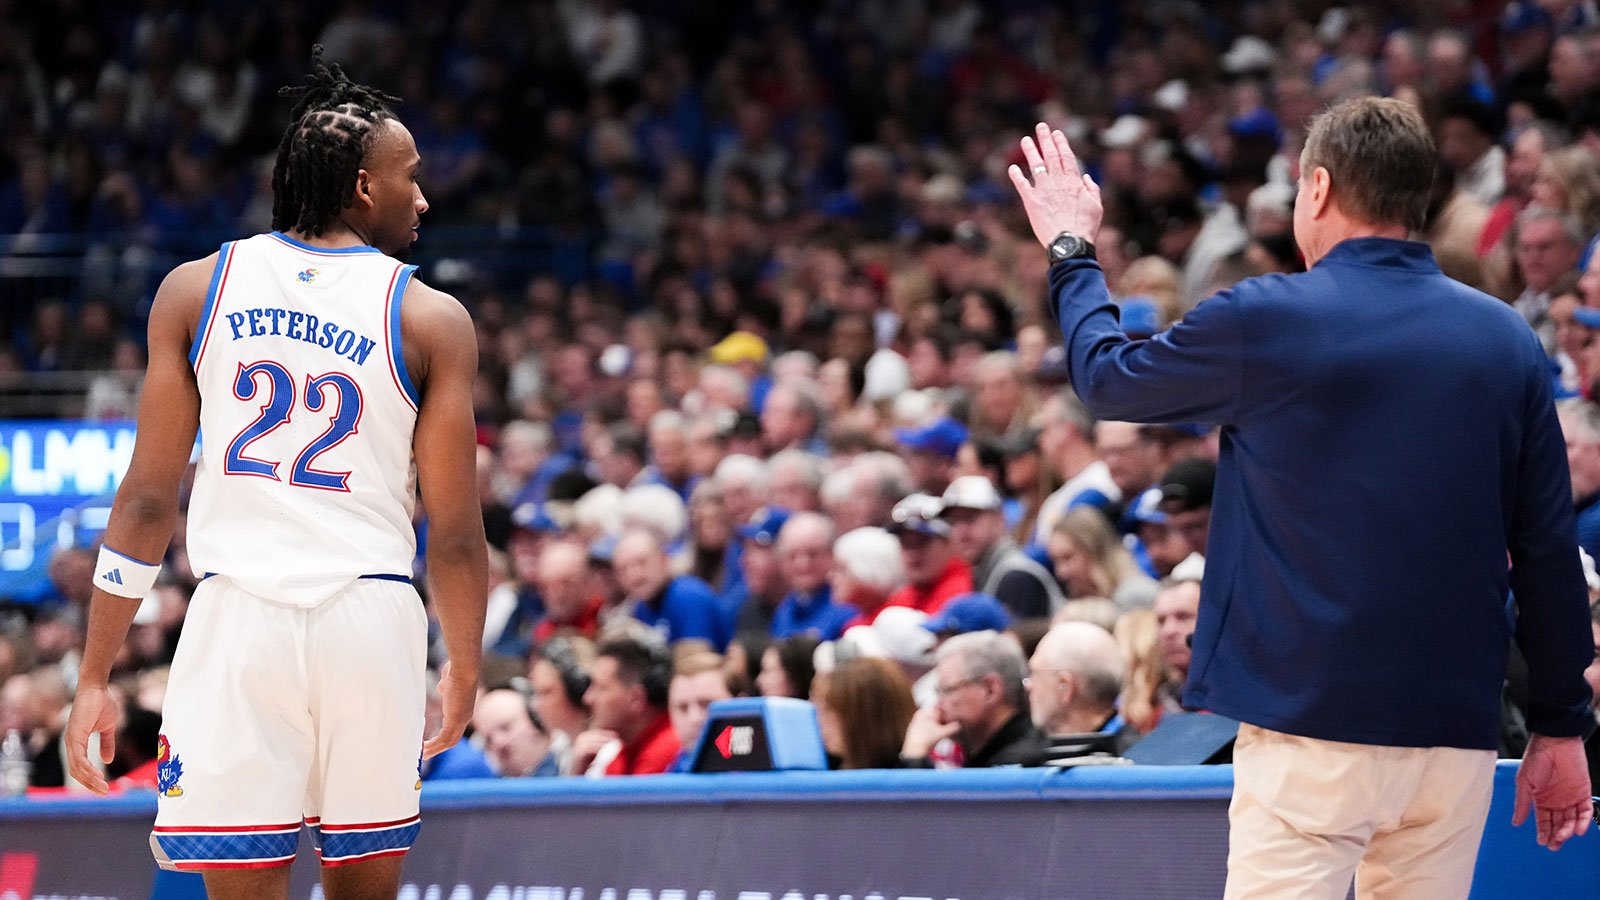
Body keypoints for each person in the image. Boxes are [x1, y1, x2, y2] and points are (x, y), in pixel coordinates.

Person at [1009, 99, 1593, 898]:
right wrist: (1563, 723)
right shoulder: (1507, 340)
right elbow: (1548, 548)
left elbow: (1109, 377)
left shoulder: (1272, 318)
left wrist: (1072, 251)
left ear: (1315, 190)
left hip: (1310, 723)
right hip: (1454, 735)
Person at [65, 52, 487, 898]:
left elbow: (147, 501)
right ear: (366, 189)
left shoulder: (193, 291)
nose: (424, 198)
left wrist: (93, 677)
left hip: (238, 622)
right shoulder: (430, 317)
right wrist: (466, 665)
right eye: (411, 178)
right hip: (368, 618)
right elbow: (456, 534)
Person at [900, 629, 1044, 768]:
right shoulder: (994, 752)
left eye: (946, 690)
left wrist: (914, 755)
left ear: (990, 690)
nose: (938, 705)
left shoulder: (1018, 763)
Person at [940, 475, 1063, 618]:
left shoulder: (1016, 576)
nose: (961, 531)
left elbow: (1016, 639)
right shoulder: (988, 570)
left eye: (970, 518)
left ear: (999, 520)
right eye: (953, 522)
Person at [575, 634, 679, 777]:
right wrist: (578, 772)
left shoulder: (666, 749)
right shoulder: (624, 753)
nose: (587, 698)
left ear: (636, 699)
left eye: (600, 688)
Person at [1028, 621, 1139, 754]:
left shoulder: (1134, 767)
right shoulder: (1141, 755)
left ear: (1065, 686)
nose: (1029, 685)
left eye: (1035, 674)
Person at [613, 527, 726, 648]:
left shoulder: (689, 596)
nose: (634, 575)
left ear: (664, 559)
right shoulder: (641, 607)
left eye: (642, 562)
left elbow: (696, 659)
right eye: (623, 569)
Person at [770, 512, 858, 640]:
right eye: (792, 555)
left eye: (813, 554)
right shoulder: (785, 609)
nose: (802, 564)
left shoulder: (847, 607)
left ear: (832, 554)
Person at [818, 656, 918, 769]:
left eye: (827, 710)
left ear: (862, 717)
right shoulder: (830, 765)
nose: (819, 720)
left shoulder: (912, 775)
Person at [884, 493, 974, 615]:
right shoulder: (910, 593)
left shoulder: (960, 593)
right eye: (906, 544)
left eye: (921, 543)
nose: (913, 554)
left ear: (949, 544)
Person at [666, 650, 733, 771]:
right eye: (683, 708)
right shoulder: (675, 771)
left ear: (740, 705)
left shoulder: (764, 775)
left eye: (707, 704)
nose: (694, 718)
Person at [472, 688, 559, 778]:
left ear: (535, 721)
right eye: (489, 740)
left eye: (505, 727)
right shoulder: (492, 784)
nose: (499, 742)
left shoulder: (568, 770)